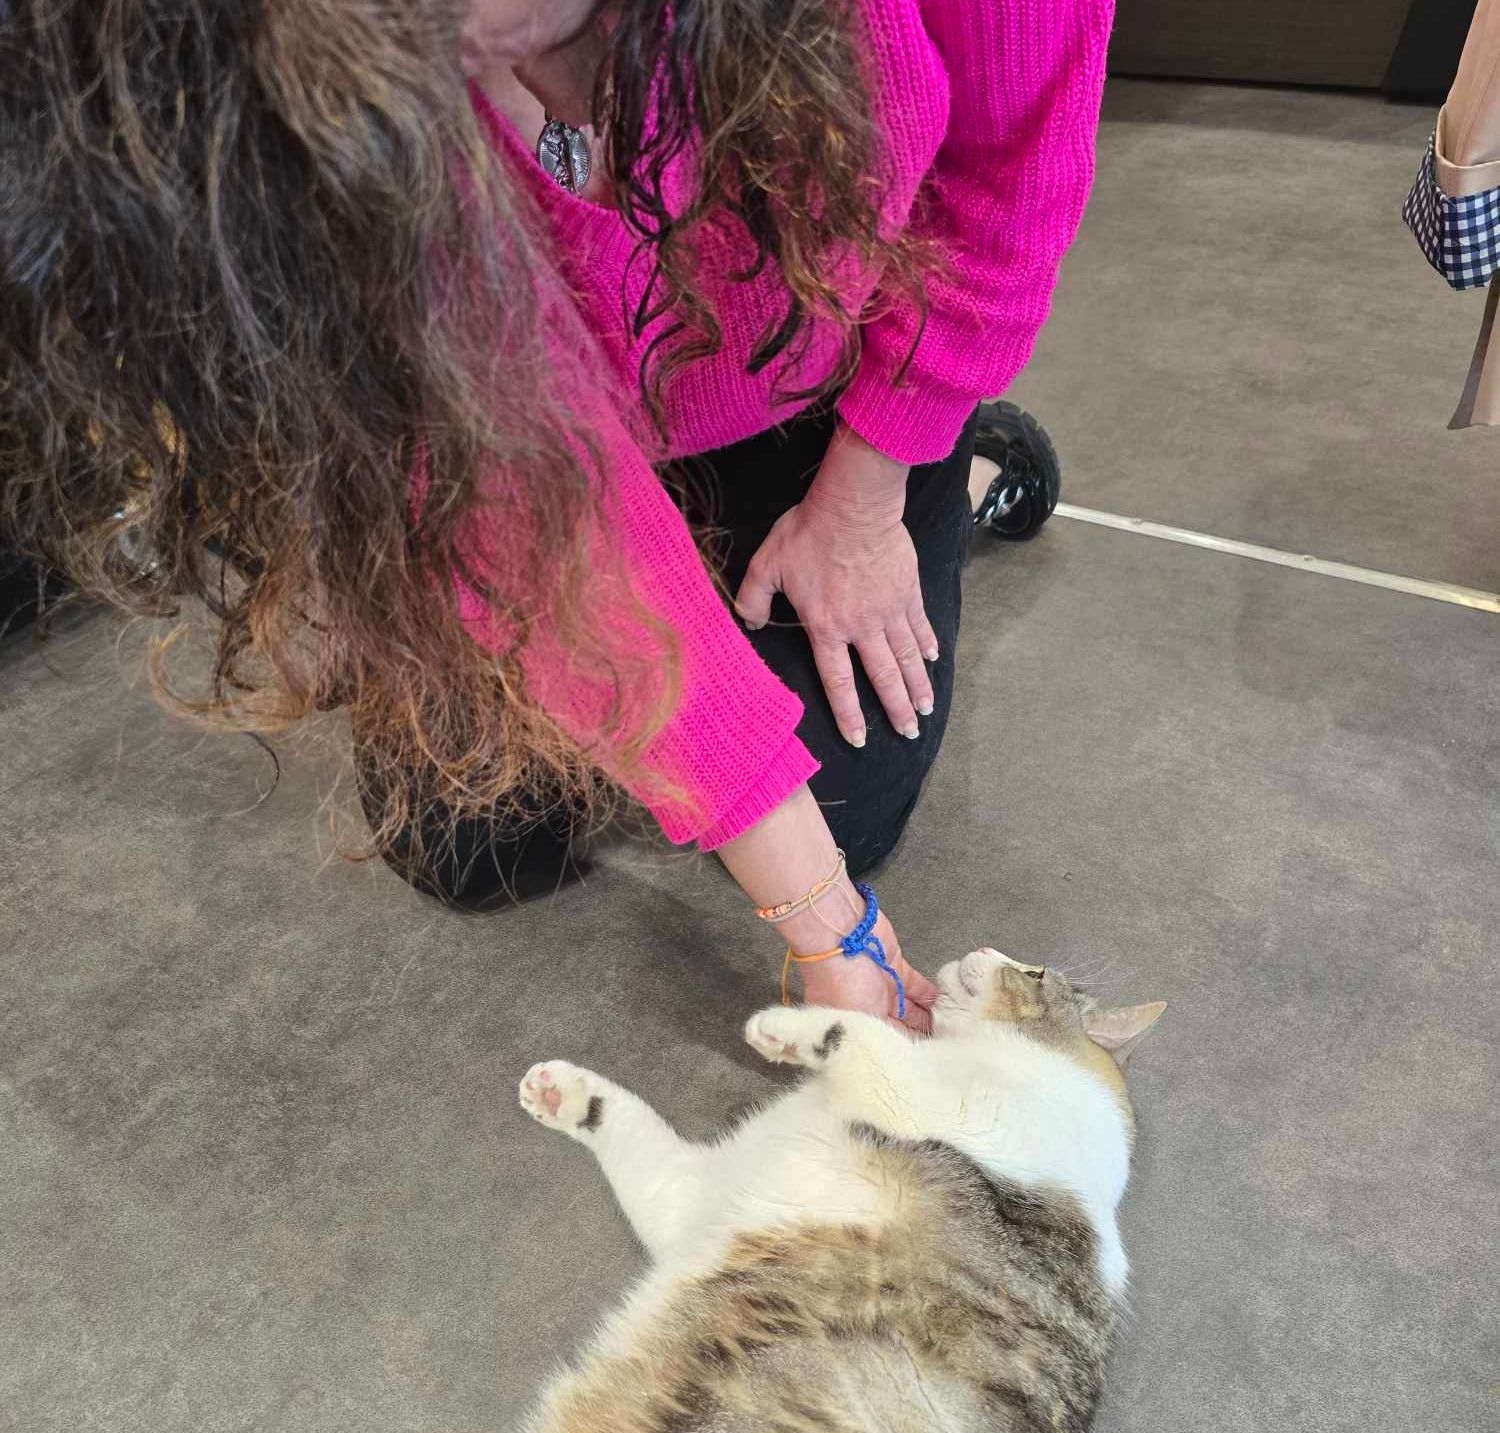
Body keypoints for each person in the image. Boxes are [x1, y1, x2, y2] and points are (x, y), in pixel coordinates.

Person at [0, 0, 1109, 1031]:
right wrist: (826, 923)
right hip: (565, 432)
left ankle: (961, 474)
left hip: (826, 386)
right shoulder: (298, 84)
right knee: (469, 847)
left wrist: (867, 498)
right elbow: (503, 488)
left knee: (845, 809)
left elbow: (1012, 175)